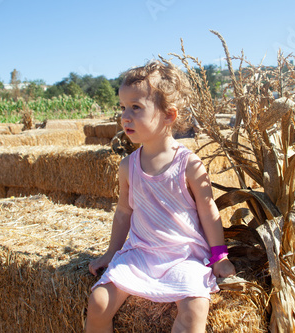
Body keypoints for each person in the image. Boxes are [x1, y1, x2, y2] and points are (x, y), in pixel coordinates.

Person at [86, 60, 236, 333]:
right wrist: (111, 252)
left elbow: (207, 210)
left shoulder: (189, 164)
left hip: (184, 257)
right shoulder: (127, 166)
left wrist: (220, 257)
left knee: (194, 312)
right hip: (140, 253)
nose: (125, 116)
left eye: (136, 107)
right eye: (122, 107)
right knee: (98, 303)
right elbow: (123, 212)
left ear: (169, 115)